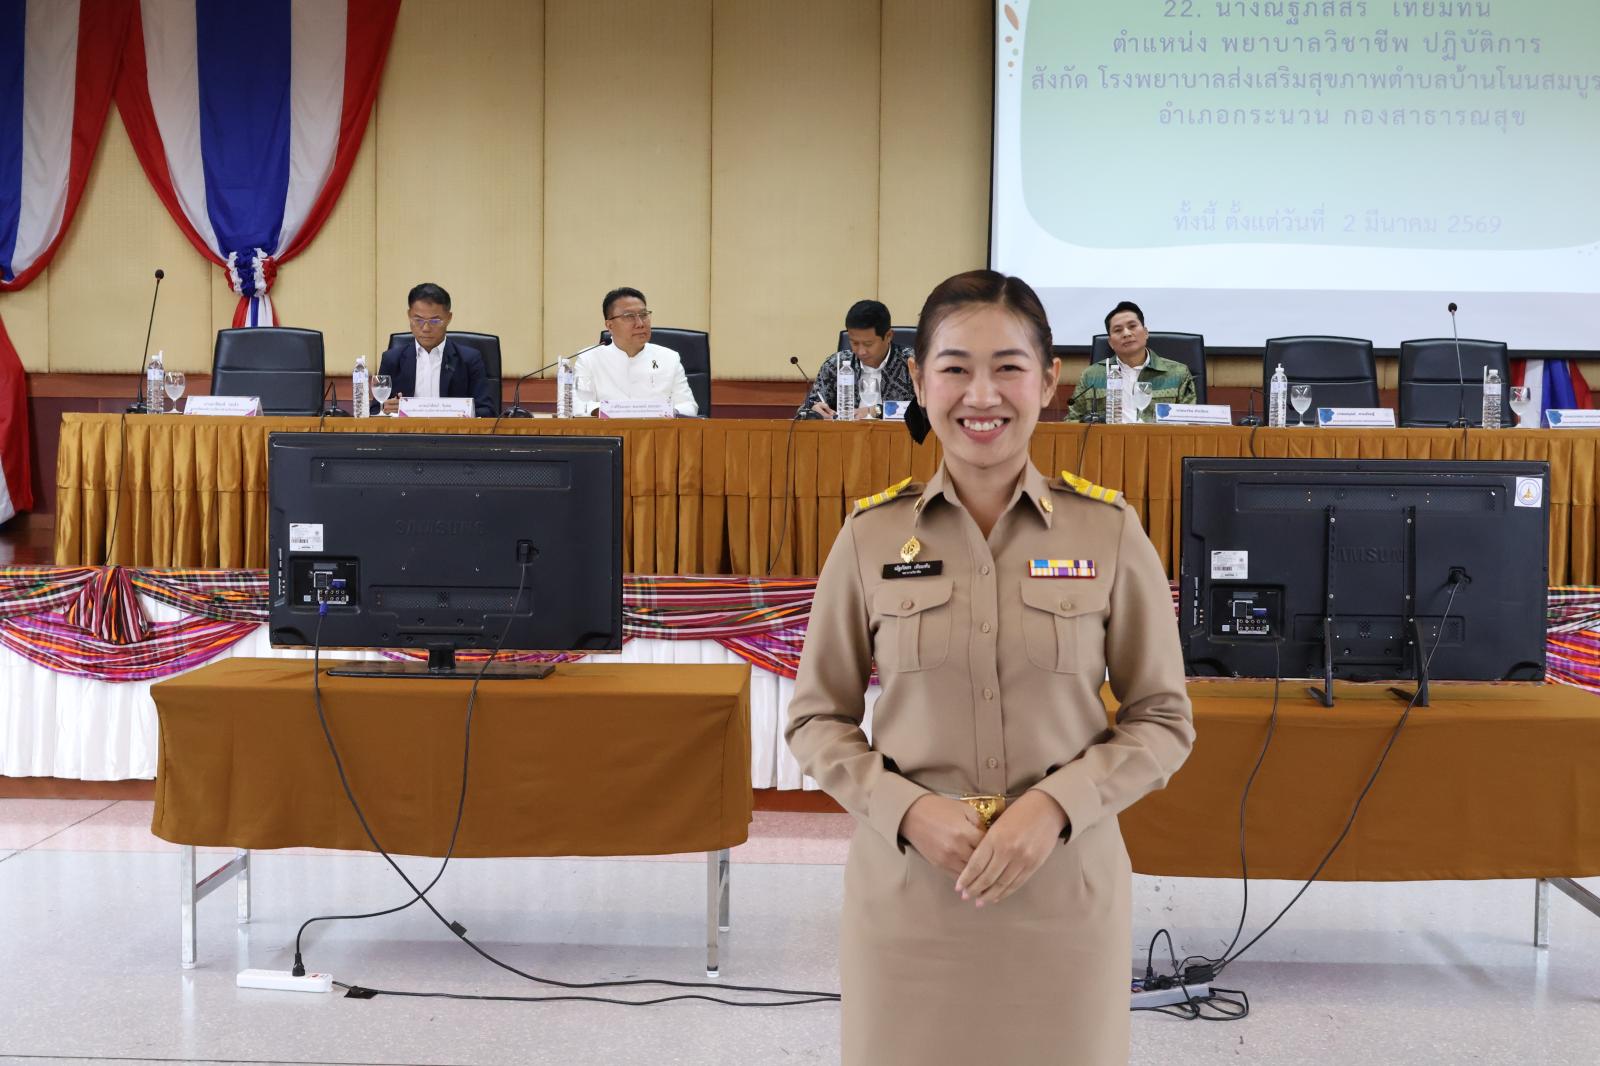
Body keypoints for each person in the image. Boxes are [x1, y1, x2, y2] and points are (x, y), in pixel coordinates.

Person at [786, 270, 1194, 1065]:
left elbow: (1163, 719)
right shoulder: (870, 537)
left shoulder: (1108, 531)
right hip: (910, 904)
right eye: (956, 368)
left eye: (1008, 367)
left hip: (1064, 898)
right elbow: (816, 720)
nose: (982, 395)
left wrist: (1055, 806)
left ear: (1048, 381)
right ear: (919, 380)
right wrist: (905, 808)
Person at [572, 287, 698, 417]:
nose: (640, 323)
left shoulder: (669, 358)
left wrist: (666, 412)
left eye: (644, 315)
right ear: (610, 325)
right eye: (629, 316)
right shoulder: (588, 359)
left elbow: (689, 406)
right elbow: (579, 406)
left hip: (658, 428)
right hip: (609, 429)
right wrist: (613, 411)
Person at [1065, 300, 1197, 422]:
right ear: (1110, 343)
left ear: (1145, 333)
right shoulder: (1091, 376)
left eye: (1132, 326)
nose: (1126, 333)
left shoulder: (1178, 374)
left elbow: (1191, 423)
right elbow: (1071, 422)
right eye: (1118, 330)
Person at [375, 283, 494, 417]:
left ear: (448, 318)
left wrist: (461, 411)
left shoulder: (469, 359)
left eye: (435, 321)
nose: (426, 328)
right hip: (408, 430)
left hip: (452, 430)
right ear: (409, 315)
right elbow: (374, 410)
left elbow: (487, 411)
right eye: (418, 320)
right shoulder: (392, 359)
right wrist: (385, 409)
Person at [798, 299, 915, 419]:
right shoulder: (835, 365)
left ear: (888, 336)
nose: (861, 351)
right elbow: (804, 410)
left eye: (868, 344)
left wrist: (875, 410)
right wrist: (813, 410)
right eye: (854, 343)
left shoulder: (912, 363)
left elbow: (923, 409)